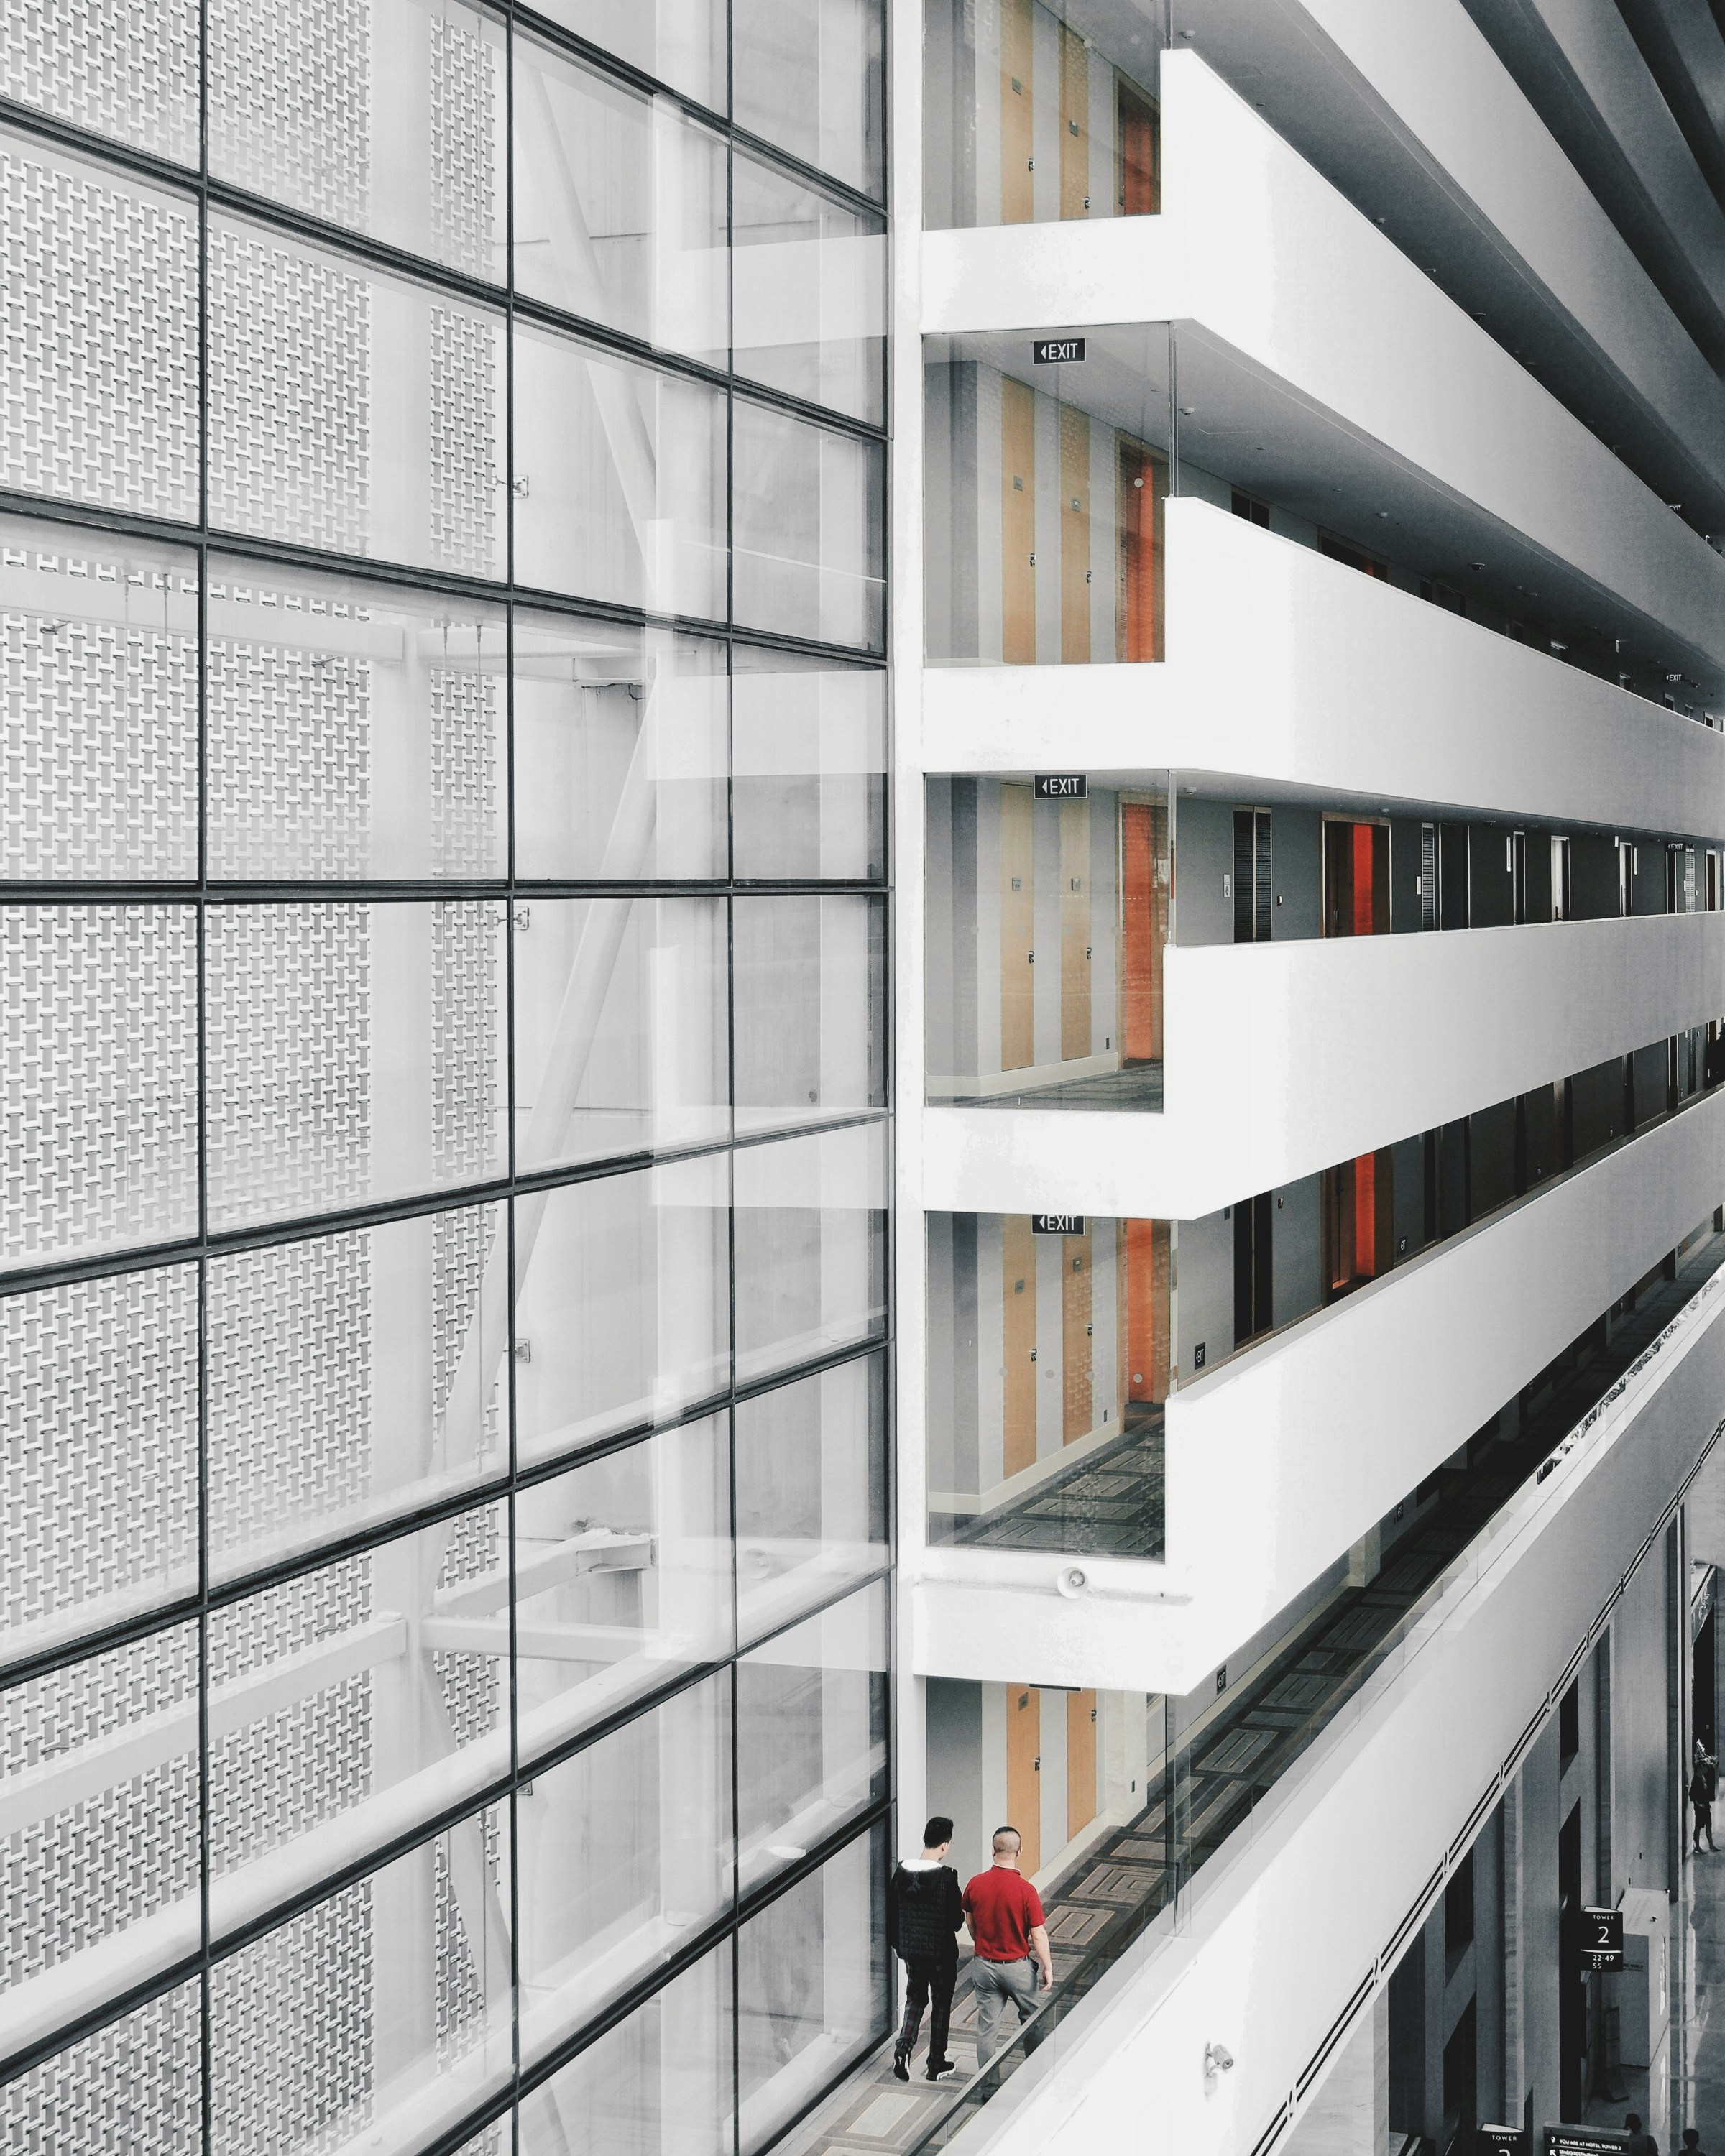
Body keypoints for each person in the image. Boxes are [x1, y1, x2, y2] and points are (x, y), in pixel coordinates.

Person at [962, 1825, 1054, 2069]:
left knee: (987, 2027)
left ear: (993, 1850)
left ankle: (988, 2088)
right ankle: (1035, 2073)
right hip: (1018, 1969)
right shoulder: (1026, 1890)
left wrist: (983, 1945)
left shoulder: (975, 1884)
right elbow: (1039, 1934)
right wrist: (1047, 1966)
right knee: (1032, 2019)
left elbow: (971, 1923)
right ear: (1019, 1851)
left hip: (984, 1966)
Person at [887, 1816, 965, 2083]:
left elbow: (892, 1915)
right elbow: (957, 1922)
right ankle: (936, 2064)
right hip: (941, 1955)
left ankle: (903, 2049)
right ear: (944, 1845)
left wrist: (901, 1946)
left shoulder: (901, 1873)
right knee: (941, 2005)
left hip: (912, 1952)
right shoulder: (947, 1877)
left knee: (916, 1998)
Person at [1690, 1745, 1717, 1853]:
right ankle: (1697, 1846)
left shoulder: (1702, 1777)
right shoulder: (1696, 1779)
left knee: (1709, 1825)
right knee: (1698, 1826)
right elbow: (1692, 1794)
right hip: (1700, 1807)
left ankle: (1711, 1844)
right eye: (1705, 1767)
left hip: (1706, 1806)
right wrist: (1698, 1804)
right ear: (1701, 1767)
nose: (1707, 1769)